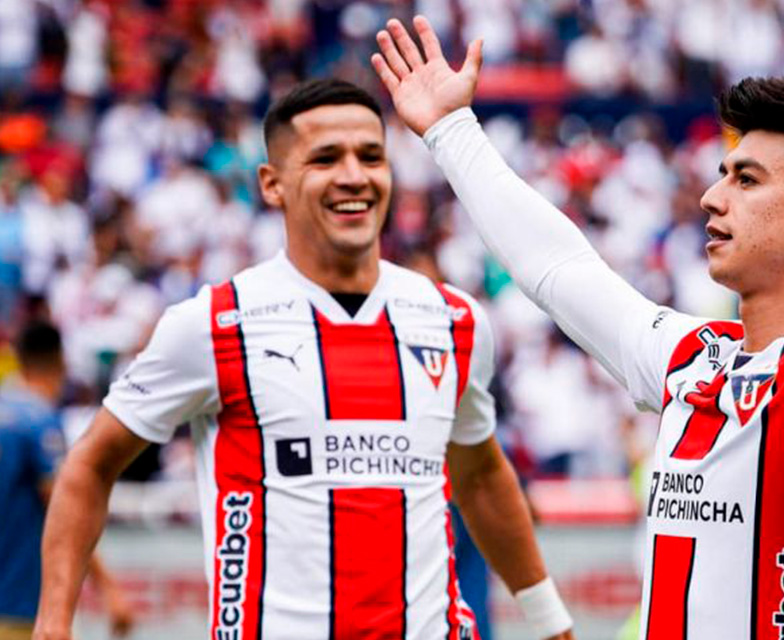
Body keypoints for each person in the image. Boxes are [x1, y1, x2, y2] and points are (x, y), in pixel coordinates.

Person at [370, 1, 784, 637]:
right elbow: (557, 267)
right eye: (721, 175)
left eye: (746, 180)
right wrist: (451, 130)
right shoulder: (688, 358)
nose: (712, 195)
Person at [34, 78, 574, 640]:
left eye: (371, 157)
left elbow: (481, 475)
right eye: (325, 158)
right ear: (272, 185)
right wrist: (53, 624)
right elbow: (90, 465)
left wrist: (549, 621)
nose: (353, 176)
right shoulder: (215, 325)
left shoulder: (453, 320)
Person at [0, 322, 133, 640]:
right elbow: (66, 507)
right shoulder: (40, 422)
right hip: (34, 600)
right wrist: (109, 588)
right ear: (60, 362)